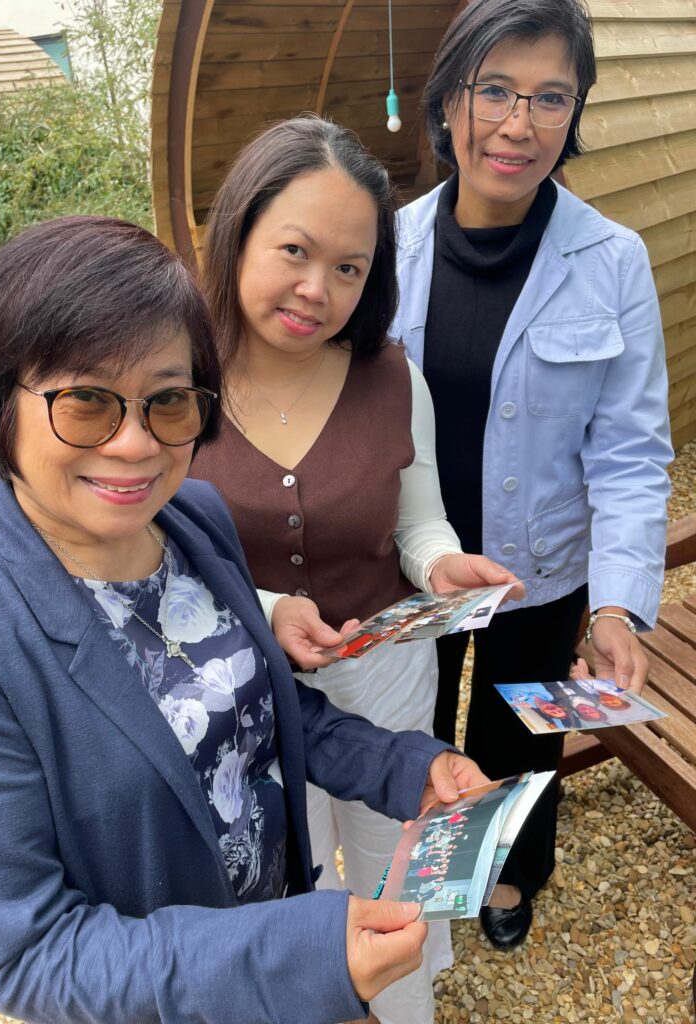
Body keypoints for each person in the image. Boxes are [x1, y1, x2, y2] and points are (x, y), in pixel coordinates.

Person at [0, 215, 494, 1024]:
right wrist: (299, 953)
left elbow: (254, 708)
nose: (134, 445)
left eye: (167, 401)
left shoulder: (192, 518)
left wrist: (404, 767)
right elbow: (24, 952)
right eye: (85, 403)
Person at [189, 116, 520, 1024]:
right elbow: (155, 550)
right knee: (283, 882)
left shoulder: (390, 377)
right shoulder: (173, 375)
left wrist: (442, 563)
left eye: (349, 267)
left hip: (386, 680)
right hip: (240, 691)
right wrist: (265, 603)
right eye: (295, 251)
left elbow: (418, 519)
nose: (318, 290)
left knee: (395, 877)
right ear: (239, 231)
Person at [391, 0, 673, 951]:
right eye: (495, 91)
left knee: (521, 731)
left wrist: (618, 607)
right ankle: (420, 876)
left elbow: (630, 452)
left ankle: (511, 873)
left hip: (541, 565)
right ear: (448, 103)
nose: (519, 124)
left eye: (551, 97)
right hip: (411, 563)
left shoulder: (612, 260)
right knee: (415, 725)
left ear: (575, 112)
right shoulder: (389, 247)